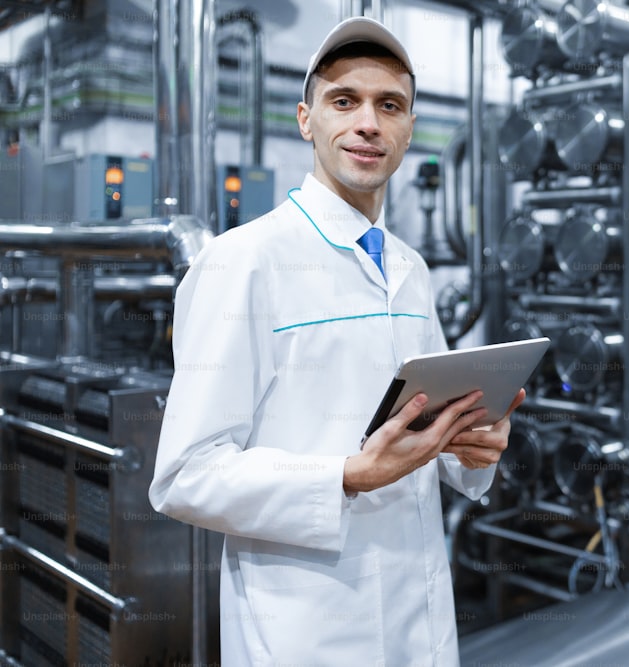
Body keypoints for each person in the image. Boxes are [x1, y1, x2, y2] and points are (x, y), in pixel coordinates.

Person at [149, 16, 523, 667]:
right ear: (306, 120)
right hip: (304, 631)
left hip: (421, 618)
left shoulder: (411, 268)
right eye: (343, 101)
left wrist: (474, 447)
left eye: (390, 105)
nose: (369, 123)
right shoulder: (245, 262)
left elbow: (429, 436)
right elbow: (186, 474)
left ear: (409, 129)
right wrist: (347, 476)